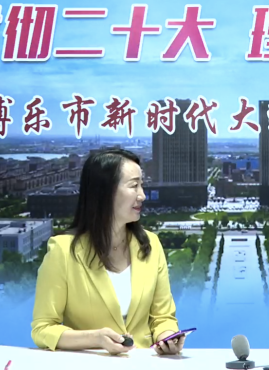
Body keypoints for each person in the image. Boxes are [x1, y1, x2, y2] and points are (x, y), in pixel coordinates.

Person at [31, 149, 184, 355]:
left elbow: (163, 317)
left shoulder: (150, 244)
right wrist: (95, 339)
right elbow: (42, 329)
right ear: (105, 192)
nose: (142, 195)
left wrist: (167, 337)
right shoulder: (63, 251)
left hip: (143, 368)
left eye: (142, 185)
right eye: (134, 186)